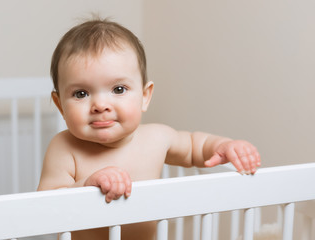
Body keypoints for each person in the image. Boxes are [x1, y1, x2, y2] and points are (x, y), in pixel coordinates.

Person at [37, 17, 261, 240]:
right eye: (81, 94)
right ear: (60, 106)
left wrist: (224, 146)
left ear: (145, 96)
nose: (100, 105)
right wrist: (86, 187)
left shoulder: (156, 137)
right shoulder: (64, 148)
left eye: (118, 89)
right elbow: (46, 205)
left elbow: (195, 146)